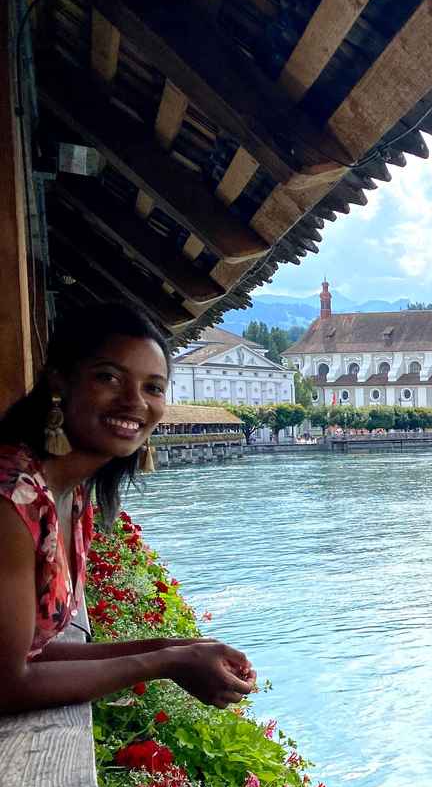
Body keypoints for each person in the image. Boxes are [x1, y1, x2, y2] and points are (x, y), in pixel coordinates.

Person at [0, 305, 256, 715]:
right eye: (109, 377)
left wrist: (178, 648)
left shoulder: (68, 495)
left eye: (153, 387)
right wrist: (166, 661)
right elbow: (7, 683)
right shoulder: (12, 500)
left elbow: (27, 655)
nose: (134, 401)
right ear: (60, 380)